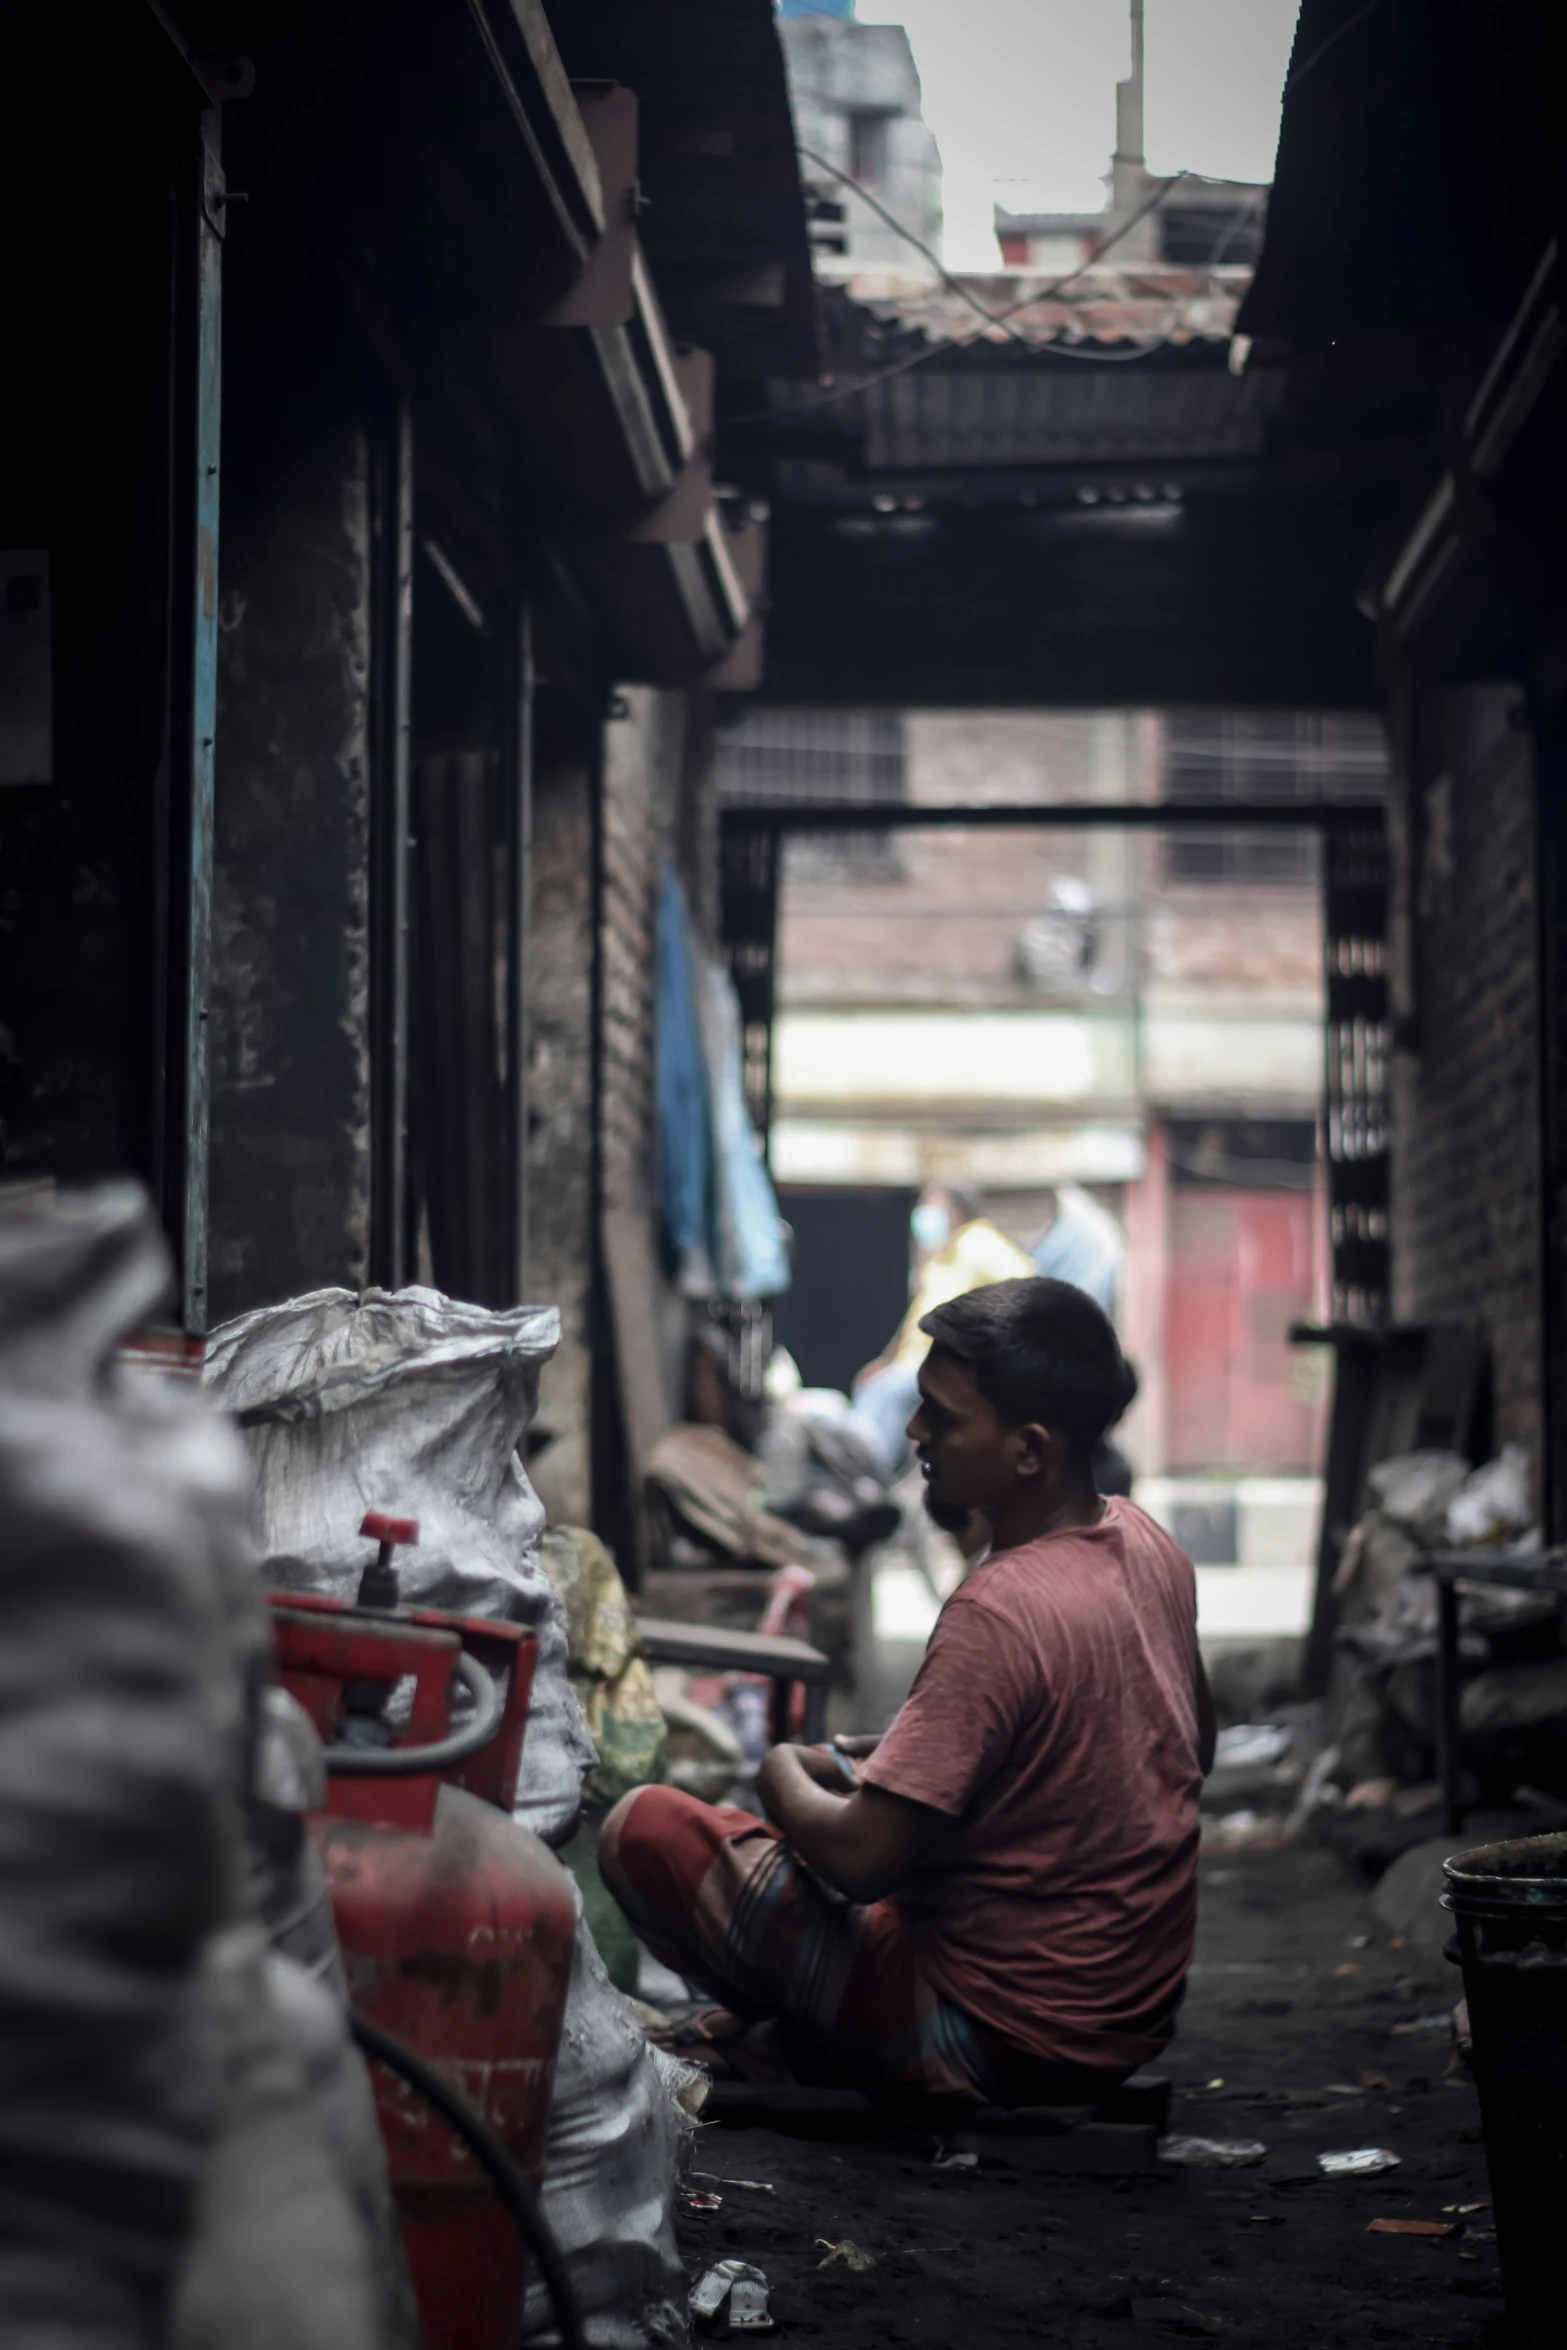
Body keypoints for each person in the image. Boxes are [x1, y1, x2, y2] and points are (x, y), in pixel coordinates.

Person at [600, 1278, 1215, 2104]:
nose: (915, 1431)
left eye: (943, 1417)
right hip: (1118, 2022)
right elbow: (1181, 1746)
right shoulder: (1146, 1543)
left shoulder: (999, 1606)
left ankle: (845, 2044)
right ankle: (807, 2040)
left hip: (993, 2032)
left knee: (644, 1829)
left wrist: (782, 1769)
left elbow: (860, 1861)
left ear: (1029, 1450)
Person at [848, 1182, 1035, 1479]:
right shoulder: (945, 1254)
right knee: (873, 1388)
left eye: (934, 1205)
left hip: (940, 1364)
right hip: (911, 1361)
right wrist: (885, 1362)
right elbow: (915, 1318)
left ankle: (863, 1476)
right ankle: (865, 1472)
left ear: (955, 1211)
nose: (926, 1214)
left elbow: (1028, 1286)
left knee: (884, 1396)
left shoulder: (979, 1242)